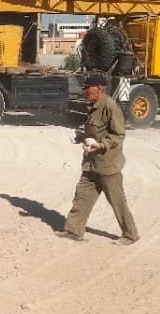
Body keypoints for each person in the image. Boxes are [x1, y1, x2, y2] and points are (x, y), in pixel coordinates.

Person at [57, 74, 140, 246]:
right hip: (91, 164)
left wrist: (100, 145)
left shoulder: (110, 107)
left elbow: (119, 135)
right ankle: (74, 230)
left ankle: (130, 235)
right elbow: (95, 132)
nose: (85, 91)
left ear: (100, 89)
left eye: (88, 87)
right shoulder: (94, 106)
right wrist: (81, 137)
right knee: (82, 196)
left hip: (107, 166)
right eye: (85, 88)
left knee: (117, 202)